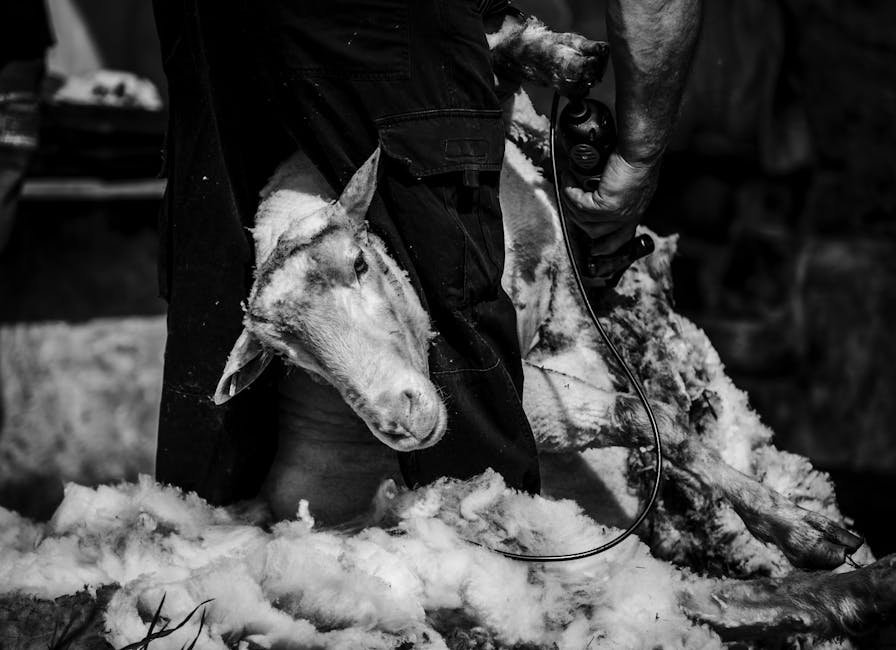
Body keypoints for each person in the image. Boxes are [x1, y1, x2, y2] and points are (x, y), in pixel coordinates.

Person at [150, 0, 700, 509]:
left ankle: (201, 546)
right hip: (379, 20)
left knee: (220, 274)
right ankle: (485, 557)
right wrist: (641, 153)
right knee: (449, 311)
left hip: (208, 20)